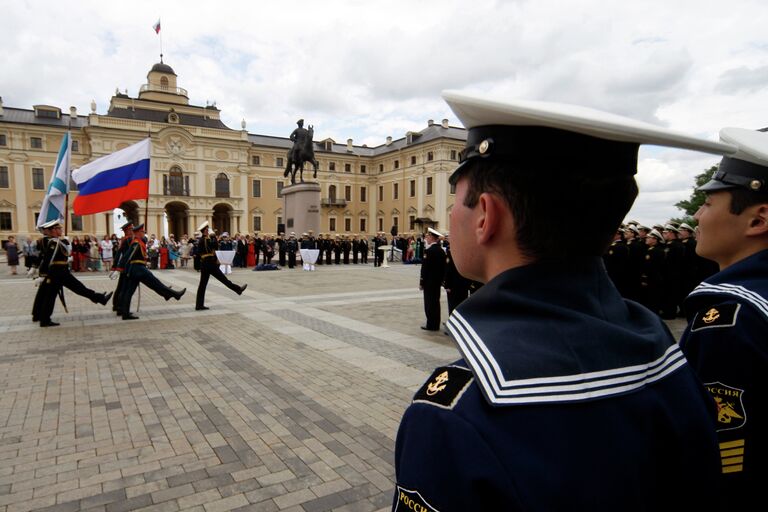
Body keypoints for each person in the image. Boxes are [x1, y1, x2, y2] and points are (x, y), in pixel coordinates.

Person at [392, 91, 727, 510]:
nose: (451, 218)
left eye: (457, 200)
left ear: (485, 218)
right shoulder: (668, 359)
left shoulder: (460, 413)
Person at [679, 127, 768, 507]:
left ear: (758, 219)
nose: (697, 214)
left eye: (709, 203)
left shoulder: (733, 317)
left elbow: (724, 454)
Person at [36, 221, 113, 327]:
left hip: (61, 272)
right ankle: (44, 320)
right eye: (59, 229)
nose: (61, 230)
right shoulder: (53, 243)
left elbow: (60, 256)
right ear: (53, 230)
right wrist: (42, 275)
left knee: (78, 289)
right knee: (52, 296)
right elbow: (48, 260)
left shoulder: (57, 241)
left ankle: (100, 298)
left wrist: (67, 255)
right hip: (57, 274)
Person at [118, 223, 185, 320]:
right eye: (142, 232)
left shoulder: (138, 241)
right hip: (138, 269)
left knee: (130, 291)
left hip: (136, 269)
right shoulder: (136, 243)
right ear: (137, 233)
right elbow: (127, 256)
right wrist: (120, 268)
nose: (143, 233)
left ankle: (125, 313)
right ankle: (175, 294)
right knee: (156, 283)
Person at [195, 221, 247, 310]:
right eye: (208, 229)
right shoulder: (205, 239)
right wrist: (214, 236)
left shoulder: (203, 239)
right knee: (223, 279)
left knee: (203, 285)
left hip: (206, 264)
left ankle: (199, 305)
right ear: (205, 230)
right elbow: (214, 246)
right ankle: (238, 289)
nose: (209, 231)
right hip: (209, 264)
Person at [419, 228, 446, 331]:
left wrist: (422, 282)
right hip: (437, 282)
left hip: (429, 282)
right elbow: (444, 268)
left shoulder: (429, 251)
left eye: (428, 236)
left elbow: (425, 269)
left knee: (429, 303)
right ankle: (436, 323)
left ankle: (431, 324)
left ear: (431, 237)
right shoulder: (441, 251)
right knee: (436, 302)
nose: (427, 238)